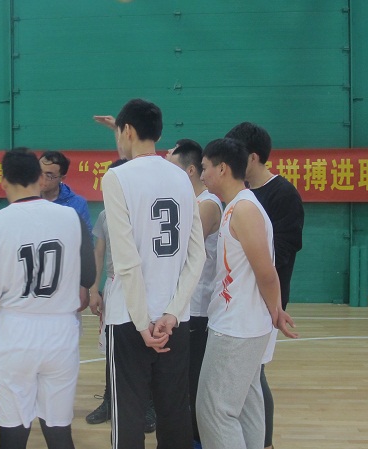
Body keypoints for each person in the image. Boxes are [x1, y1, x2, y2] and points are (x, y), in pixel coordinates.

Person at [0, 147, 95, 449]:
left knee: (13, 433)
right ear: (40, 178)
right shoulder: (72, 217)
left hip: (15, 332)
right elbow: (89, 276)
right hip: (61, 332)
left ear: (3, 181)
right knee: (58, 430)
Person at [101, 98, 205, 449]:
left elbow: (126, 260)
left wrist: (143, 322)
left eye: (118, 132)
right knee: (174, 414)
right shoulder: (182, 178)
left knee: (128, 418)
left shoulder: (117, 177)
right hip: (175, 320)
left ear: (127, 131)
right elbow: (197, 255)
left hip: (130, 318)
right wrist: (172, 313)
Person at [196, 138, 298, 449]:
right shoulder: (237, 206)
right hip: (243, 323)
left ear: (222, 169)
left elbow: (266, 272)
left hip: (236, 327)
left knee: (215, 411)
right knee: (246, 405)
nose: (202, 174)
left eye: (205, 168)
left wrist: (276, 311)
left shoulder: (244, 209)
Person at [225, 122, 304, 449]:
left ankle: (265, 443)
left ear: (252, 157)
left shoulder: (283, 194)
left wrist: (253, 261)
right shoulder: (238, 192)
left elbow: (283, 252)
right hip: (234, 302)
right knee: (245, 378)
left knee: (253, 376)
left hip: (263, 303)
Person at [84, 159, 157, 434]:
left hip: (146, 286)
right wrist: (94, 289)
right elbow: (99, 252)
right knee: (112, 349)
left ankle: (148, 404)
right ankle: (109, 399)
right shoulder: (106, 214)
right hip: (116, 286)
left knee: (146, 345)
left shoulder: (148, 210)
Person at [166, 139, 223, 447]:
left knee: (193, 383)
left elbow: (181, 251)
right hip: (185, 306)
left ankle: (197, 440)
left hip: (199, 309)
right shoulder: (189, 202)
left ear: (189, 170)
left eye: (170, 166)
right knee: (181, 382)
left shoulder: (208, 204)